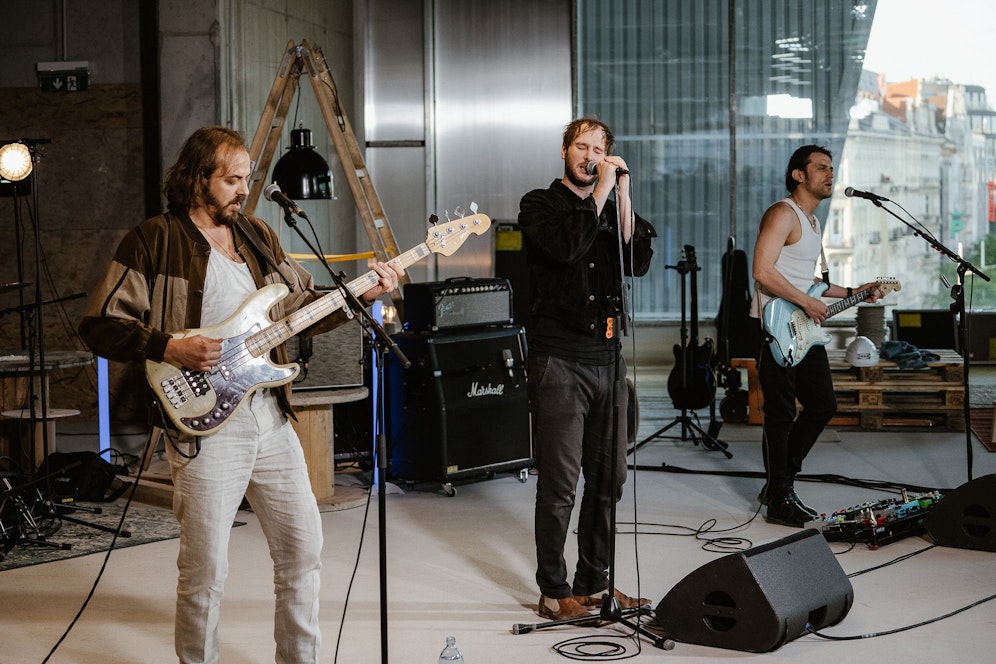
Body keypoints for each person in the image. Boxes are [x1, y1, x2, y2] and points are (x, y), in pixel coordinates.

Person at [78, 126, 402, 663]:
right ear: (197, 178)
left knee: (304, 550)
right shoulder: (154, 239)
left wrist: (359, 292)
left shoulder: (256, 235)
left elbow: (301, 309)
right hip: (203, 426)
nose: (242, 190)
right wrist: (168, 347)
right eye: (230, 179)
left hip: (270, 418)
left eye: (246, 179)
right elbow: (99, 324)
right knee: (205, 570)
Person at [518, 117, 657, 621]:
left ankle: (594, 584)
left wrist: (623, 196)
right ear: (564, 150)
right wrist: (600, 191)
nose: (591, 155)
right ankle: (554, 591)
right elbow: (567, 247)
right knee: (560, 481)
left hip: (608, 358)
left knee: (608, 477)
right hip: (559, 360)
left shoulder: (608, 202)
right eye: (583, 146)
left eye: (600, 149)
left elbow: (637, 258)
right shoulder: (540, 205)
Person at [750, 145, 879, 527]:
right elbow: (761, 270)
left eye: (832, 168)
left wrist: (856, 290)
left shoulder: (812, 221)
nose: (830, 174)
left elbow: (810, 282)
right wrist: (806, 301)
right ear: (798, 175)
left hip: (803, 329)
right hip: (776, 327)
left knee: (822, 404)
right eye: (821, 168)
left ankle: (779, 484)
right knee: (781, 414)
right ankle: (779, 497)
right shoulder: (782, 213)